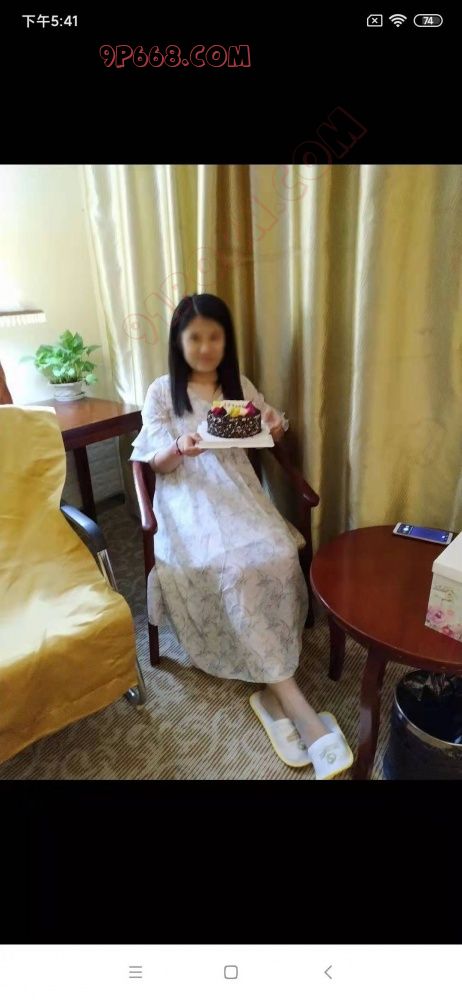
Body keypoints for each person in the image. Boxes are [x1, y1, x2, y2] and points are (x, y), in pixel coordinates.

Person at [130, 293, 353, 779]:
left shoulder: (239, 386)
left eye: (214, 336)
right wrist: (179, 447)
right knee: (230, 565)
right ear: (179, 342)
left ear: (226, 340)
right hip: (188, 497)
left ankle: (272, 691)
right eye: (195, 337)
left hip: (239, 492)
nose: (205, 346)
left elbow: (268, 433)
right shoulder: (162, 392)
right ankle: (296, 707)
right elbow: (153, 463)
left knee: (277, 552)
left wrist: (274, 424)